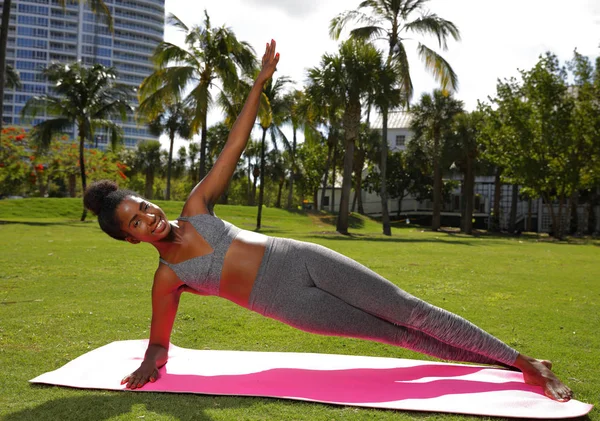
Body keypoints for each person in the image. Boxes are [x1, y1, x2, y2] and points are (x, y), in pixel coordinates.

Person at [83, 40, 572, 402]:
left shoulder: (195, 207)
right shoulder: (167, 278)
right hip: (293, 305)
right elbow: (159, 342)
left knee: (410, 310)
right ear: (130, 240)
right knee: (399, 335)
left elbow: (235, 141)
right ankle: (509, 365)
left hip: (302, 260)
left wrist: (259, 83)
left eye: (143, 206)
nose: (148, 217)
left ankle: (524, 361)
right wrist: (150, 362)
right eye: (135, 223)